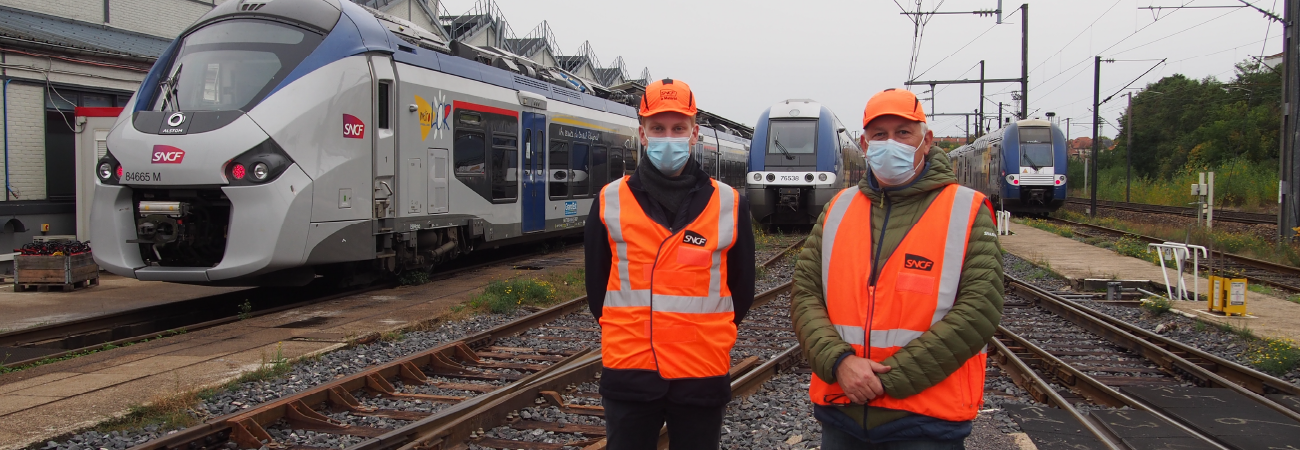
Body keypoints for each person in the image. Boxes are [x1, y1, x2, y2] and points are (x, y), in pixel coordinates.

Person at [791, 88, 1004, 449]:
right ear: (865, 143)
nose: (891, 143)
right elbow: (805, 295)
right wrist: (841, 363)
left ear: (926, 140)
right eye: (880, 135)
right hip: (841, 413)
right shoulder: (838, 208)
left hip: (925, 422)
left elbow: (979, 312)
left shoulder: (966, 209)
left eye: (903, 133)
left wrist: (883, 381)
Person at [584, 78, 756, 450]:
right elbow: (597, 289)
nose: (669, 136)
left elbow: (741, 291)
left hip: (700, 370)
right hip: (630, 368)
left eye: (678, 128)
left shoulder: (729, 203)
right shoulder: (609, 200)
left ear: (694, 133)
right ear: (642, 133)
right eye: (658, 128)